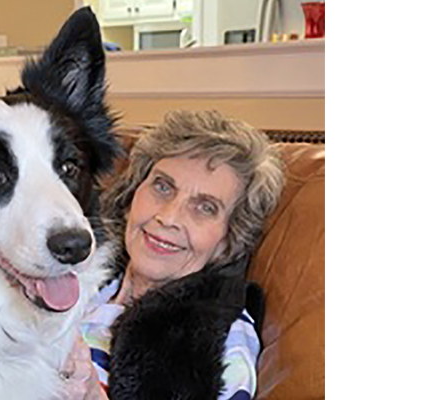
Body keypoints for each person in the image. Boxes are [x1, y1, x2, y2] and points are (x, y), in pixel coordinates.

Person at [62, 110, 285, 400]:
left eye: (205, 207)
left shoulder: (221, 339)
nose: (168, 217)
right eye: (163, 187)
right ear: (131, 196)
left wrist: (93, 395)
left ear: (228, 242)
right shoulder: (73, 274)